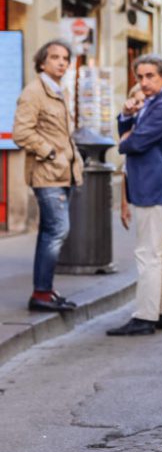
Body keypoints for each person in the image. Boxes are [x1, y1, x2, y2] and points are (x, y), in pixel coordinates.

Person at [106, 55, 162, 337]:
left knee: (148, 254)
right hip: (153, 184)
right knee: (161, 252)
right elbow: (127, 134)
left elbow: (134, 142)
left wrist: (127, 139)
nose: (144, 82)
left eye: (150, 76)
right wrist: (127, 115)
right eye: (139, 77)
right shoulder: (152, 102)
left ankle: (145, 316)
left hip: (153, 185)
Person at [12, 39, 83, 313]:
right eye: (55, 57)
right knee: (57, 230)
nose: (61, 62)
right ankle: (41, 293)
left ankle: (45, 289)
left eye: (65, 57)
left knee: (50, 232)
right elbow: (21, 132)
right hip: (47, 174)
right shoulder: (34, 92)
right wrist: (51, 153)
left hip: (63, 173)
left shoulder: (57, 90)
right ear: (42, 62)